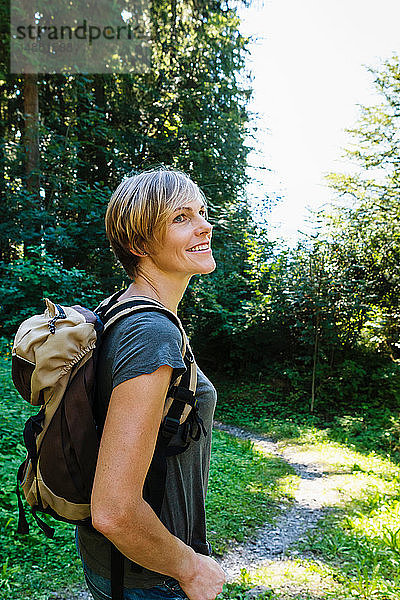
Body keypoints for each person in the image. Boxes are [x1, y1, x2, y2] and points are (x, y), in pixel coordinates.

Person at [76, 168, 226, 600]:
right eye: (180, 218)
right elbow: (116, 510)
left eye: (200, 211)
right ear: (139, 244)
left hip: (118, 567)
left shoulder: (117, 310)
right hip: (149, 577)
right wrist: (192, 568)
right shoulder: (150, 331)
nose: (204, 225)